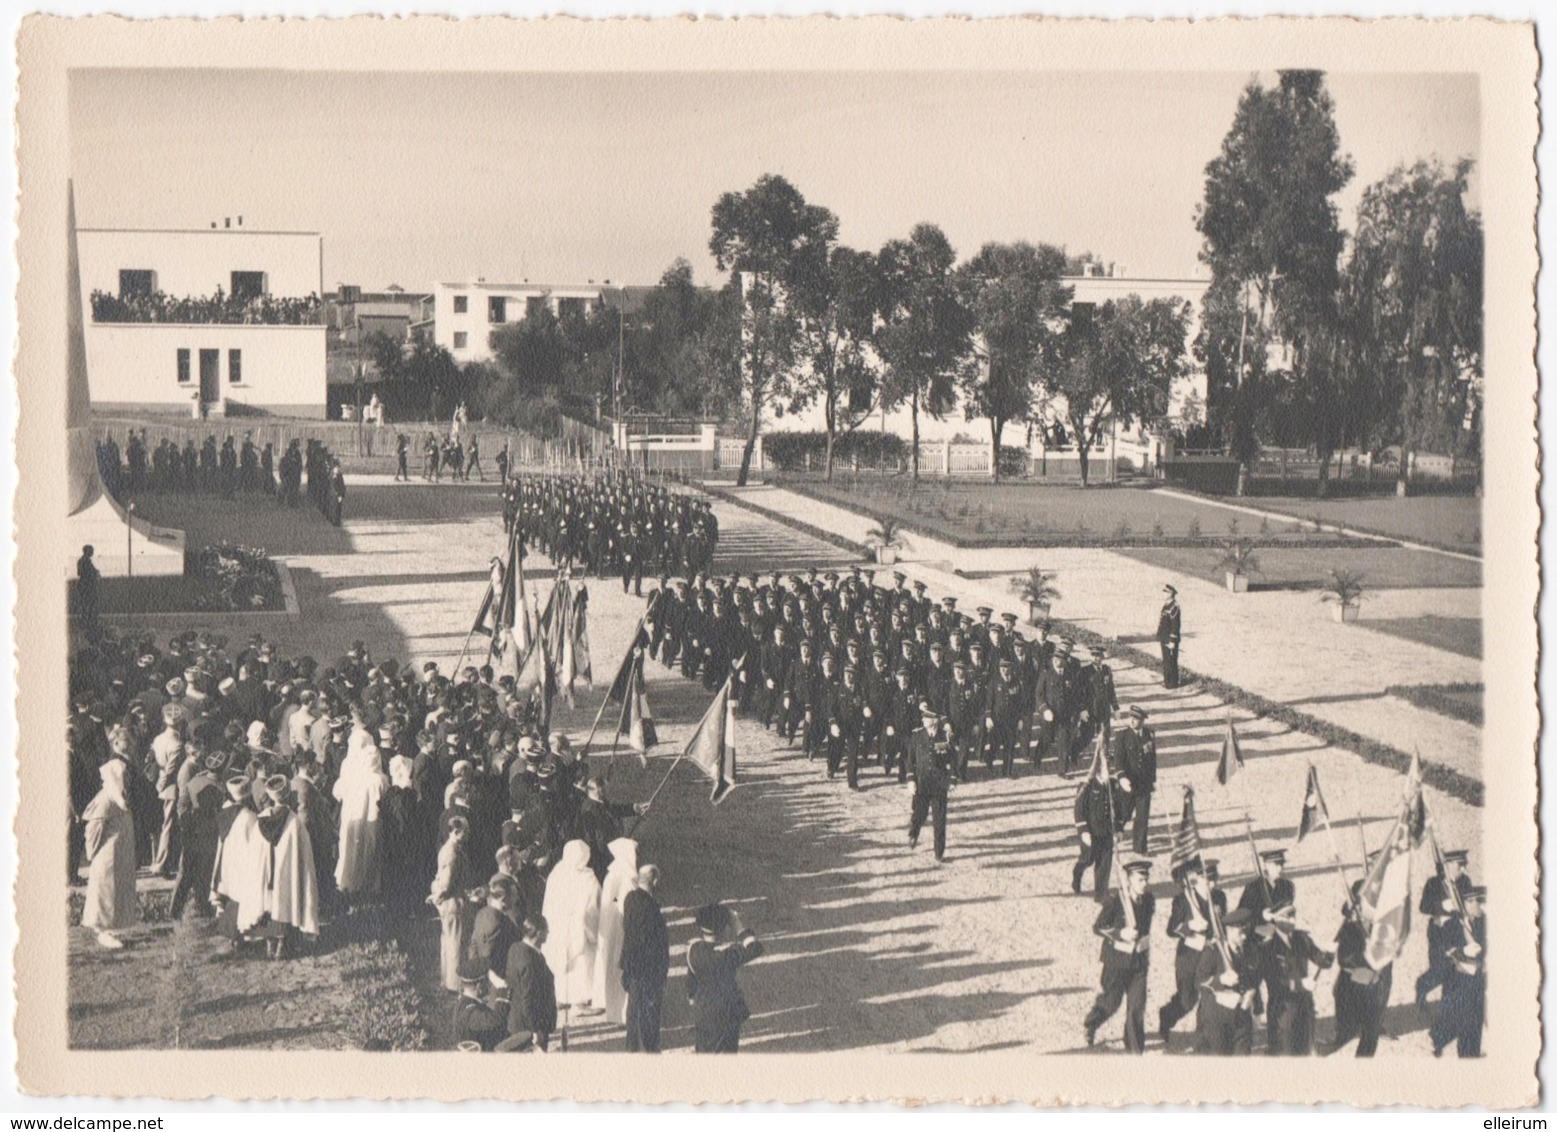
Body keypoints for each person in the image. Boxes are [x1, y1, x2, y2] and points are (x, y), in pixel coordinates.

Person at [1083, 856, 1155, 1052]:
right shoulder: (1116, 900)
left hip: (1139, 963)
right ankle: (1091, 1023)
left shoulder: (1149, 900)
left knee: (1136, 1008)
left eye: (1146, 879)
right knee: (1110, 1003)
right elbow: (1098, 927)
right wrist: (1120, 933)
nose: (1144, 884)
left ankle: (1134, 1051)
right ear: (1129, 879)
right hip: (1116, 962)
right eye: (1140, 879)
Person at [1158, 858, 1227, 1045]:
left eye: (1214, 880)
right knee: (1187, 1001)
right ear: (1197, 879)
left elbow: (1223, 925)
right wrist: (1190, 926)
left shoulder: (1219, 897)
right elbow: (1171, 930)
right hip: (1188, 957)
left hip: (1210, 956)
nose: (1211, 884)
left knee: (1208, 995)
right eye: (1207, 880)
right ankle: (1166, 1017)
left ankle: (1204, 1037)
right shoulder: (1183, 900)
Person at [254, 774, 321, 959]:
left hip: (268, 873)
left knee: (269, 903)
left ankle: (270, 945)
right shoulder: (294, 822)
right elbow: (304, 855)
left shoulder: (261, 819)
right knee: (286, 899)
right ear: (288, 794)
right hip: (287, 873)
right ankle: (282, 945)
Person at [687, 902, 764, 1053]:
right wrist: (738, 926)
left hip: (703, 1011)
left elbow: (691, 980)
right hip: (726, 1013)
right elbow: (755, 948)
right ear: (724, 929)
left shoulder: (693, 949)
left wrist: (691, 997)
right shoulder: (728, 954)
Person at [1261, 901, 1334, 1055]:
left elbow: (1321, 960)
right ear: (1276, 919)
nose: (1293, 921)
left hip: (1305, 1006)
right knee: (1285, 1055)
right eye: (1288, 917)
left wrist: (1329, 954)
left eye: (1294, 916)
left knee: (1305, 1051)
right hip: (1283, 1011)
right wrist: (1300, 984)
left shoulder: (1302, 938)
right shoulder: (1268, 947)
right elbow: (1274, 983)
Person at [541, 839, 602, 1016]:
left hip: (557, 926)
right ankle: (579, 1002)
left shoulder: (556, 873)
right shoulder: (589, 879)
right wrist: (594, 932)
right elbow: (592, 909)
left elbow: (548, 902)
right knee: (581, 963)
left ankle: (560, 997)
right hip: (579, 929)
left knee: (559, 961)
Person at [81, 759, 137, 949]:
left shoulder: (119, 797)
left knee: (115, 891)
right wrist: (92, 853)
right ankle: (103, 932)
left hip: (119, 853)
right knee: (106, 891)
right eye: (124, 775)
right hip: (107, 855)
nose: (127, 778)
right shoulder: (105, 798)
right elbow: (93, 829)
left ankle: (111, 929)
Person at [1430, 886, 1486, 1058]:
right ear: (1468, 903)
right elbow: (1442, 952)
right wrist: (1463, 951)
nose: (1482, 907)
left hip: (1477, 980)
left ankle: (1471, 1055)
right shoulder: (1452, 925)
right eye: (1479, 902)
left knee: (1475, 1024)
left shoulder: (1482, 922)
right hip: (1458, 982)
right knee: (1463, 1024)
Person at [1195, 907, 1259, 1055]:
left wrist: (1254, 1002)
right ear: (1229, 931)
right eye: (1240, 932)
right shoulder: (1213, 951)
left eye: (1246, 932)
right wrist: (1220, 980)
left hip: (1242, 1016)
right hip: (1216, 1018)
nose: (1244, 937)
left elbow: (1254, 978)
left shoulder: (1250, 950)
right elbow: (1198, 981)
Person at [621, 863, 669, 1052]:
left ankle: (631, 1047)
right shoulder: (651, 908)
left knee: (633, 1011)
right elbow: (653, 944)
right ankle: (651, 1048)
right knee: (650, 1013)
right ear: (655, 881)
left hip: (632, 965)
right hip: (648, 969)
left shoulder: (629, 898)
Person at [1416, 849, 1474, 1009]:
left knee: (1459, 968)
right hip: (1439, 933)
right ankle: (1422, 985)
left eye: (1464, 865)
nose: (1463, 869)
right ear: (1448, 865)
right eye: (1460, 865)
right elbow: (1423, 906)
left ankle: (1452, 1008)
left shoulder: (1465, 881)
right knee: (1440, 970)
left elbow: (1470, 903)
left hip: (1457, 930)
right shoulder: (1433, 883)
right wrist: (1442, 906)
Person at [333, 742, 388, 902]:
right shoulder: (380, 779)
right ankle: (369, 887)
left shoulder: (353, 777)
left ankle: (349, 885)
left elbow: (336, 792)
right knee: (369, 851)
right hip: (372, 821)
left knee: (351, 850)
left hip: (352, 819)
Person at [592, 837, 638, 1025]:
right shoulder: (624, 877)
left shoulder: (615, 873)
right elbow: (618, 902)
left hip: (614, 926)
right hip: (620, 927)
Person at [498, 914, 558, 1052]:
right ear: (539, 933)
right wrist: (535, 1031)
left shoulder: (515, 948)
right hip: (531, 1027)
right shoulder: (530, 962)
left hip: (516, 1022)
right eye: (546, 930)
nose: (548, 933)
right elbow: (528, 999)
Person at [430, 815, 475, 993]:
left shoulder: (449, 849)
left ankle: (447, 980)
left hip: (450, 902)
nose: (467, 835)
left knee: (448, 941)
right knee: (455, 943)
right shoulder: (452, 853)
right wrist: (437, 895)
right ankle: (455, 984)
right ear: (456, 832)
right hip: (453, 903)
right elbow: (446, 883)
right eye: (465, 832)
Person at [907, 703, 953, 863]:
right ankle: (913, 833)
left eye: (927, 717)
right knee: (920, 814)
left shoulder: (945, 736)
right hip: (922, 783)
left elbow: (952, 760)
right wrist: (911, 780)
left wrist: (952, 780)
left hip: (939, 785)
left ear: (935, 720)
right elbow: (910, 761)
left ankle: (939, 852)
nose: (923, 719)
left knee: (939, 819)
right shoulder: (917, 736)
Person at [1116, 705, 1157, 854]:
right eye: (1131, 718)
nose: (1133, 721)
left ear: (1143, 721)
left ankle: (1140, 848)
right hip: (1128, 782)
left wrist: (1153, 780)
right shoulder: (1122, 736)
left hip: (1144, 783)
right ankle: (1117, 830)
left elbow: (1152, 759)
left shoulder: (1150, 735)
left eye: (1137, 719)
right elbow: (1119, 760)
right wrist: (1121, 777)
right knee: (1124, 812)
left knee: (1142, 816)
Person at [452, 962, 506, 1052]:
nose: (489, 985)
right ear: (479, 986)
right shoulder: (469, 1011)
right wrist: (502, 990)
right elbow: (495, 1021)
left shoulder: (465, 1002)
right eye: (487, 982)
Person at [1156, 584, 1182, 689]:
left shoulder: (1174, 607)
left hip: (1170, 640)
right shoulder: (1167, 605)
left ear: (1171, 594)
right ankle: (1167, 682)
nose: (1164, 594)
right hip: (1164, 638)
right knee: (1166, 660)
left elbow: (1175, 626)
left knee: (1171, 661)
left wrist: (1172, 641)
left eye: (1166, 592)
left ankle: (1172, 683)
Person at [75, 545, 100, 630]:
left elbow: (79, 573)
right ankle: (89, 622)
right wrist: (95, 573)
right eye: (91, 551)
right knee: (89, 604)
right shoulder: (86, 562)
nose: (93, 552)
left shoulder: (81, 561)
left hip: (83, 586)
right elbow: (89, 573)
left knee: (85, 605)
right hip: (87, 586)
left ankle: (86, 622)